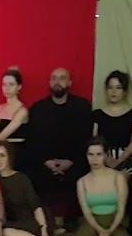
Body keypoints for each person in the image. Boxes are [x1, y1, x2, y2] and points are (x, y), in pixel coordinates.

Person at [26, 67, 93, 227]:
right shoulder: (38, 109)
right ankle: (42, 223)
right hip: (44, 163)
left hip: (75, 162)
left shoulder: (83, 107)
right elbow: (33, 141)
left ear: (69, 82)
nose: (58, 81)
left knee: (85, 176)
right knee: (32, 175)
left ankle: (75, 223)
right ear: (50, 82)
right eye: (54, 78)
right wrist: (46, 161)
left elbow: (86, 139)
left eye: (62, 78)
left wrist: (70, 161)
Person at [0, 142, 68, 236]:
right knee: (1, 233)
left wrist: (43, 229)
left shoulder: (21, 178)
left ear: (10, 158)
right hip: (13, 222)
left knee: (5, 233)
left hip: (33, 220)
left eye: (2, 155)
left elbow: (36, 206)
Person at [66, 137, 130, 236]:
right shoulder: (82, 181)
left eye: (99, 154)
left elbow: (121, 208)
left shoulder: (118, 177)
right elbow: (86, 211)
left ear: (105, 155)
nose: (94, 159)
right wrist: (99, 229)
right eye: (91, 154)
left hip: (113, 219)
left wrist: (110, 230)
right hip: (92, 221)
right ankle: (64, 234)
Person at [92, 70, 132, 173]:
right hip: (102, 158)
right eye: (110, 87)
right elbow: (95, 140)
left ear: (125, 91)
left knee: (122, 178)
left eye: (118, 88)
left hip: (128, 158)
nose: (113, 91)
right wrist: (106, 159)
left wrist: (119, 161)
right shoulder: (97, 114)